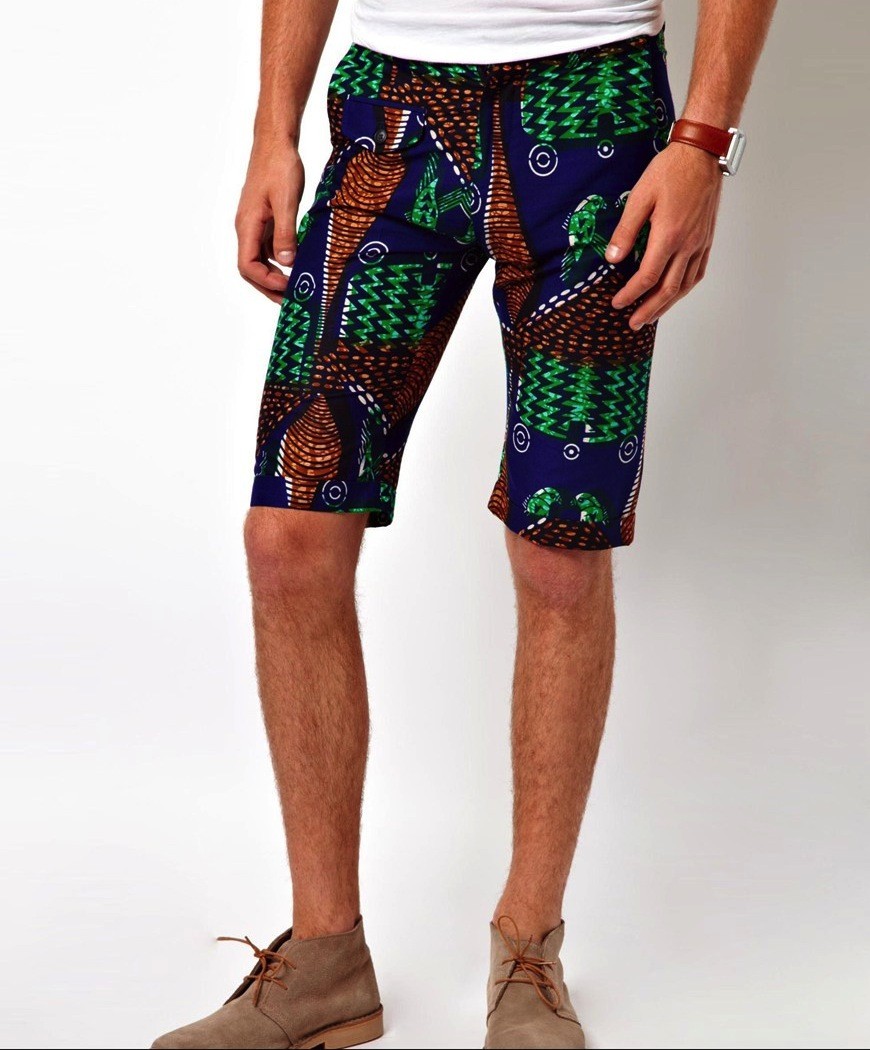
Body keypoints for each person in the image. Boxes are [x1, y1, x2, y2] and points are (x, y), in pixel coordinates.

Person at [152, 1, 776, 1046]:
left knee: (559, 551)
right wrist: (273, 129)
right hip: (390, 113)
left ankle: (529, 952)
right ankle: (324, 960)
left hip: (596, 108)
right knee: (289, 540)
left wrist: (703, 142)